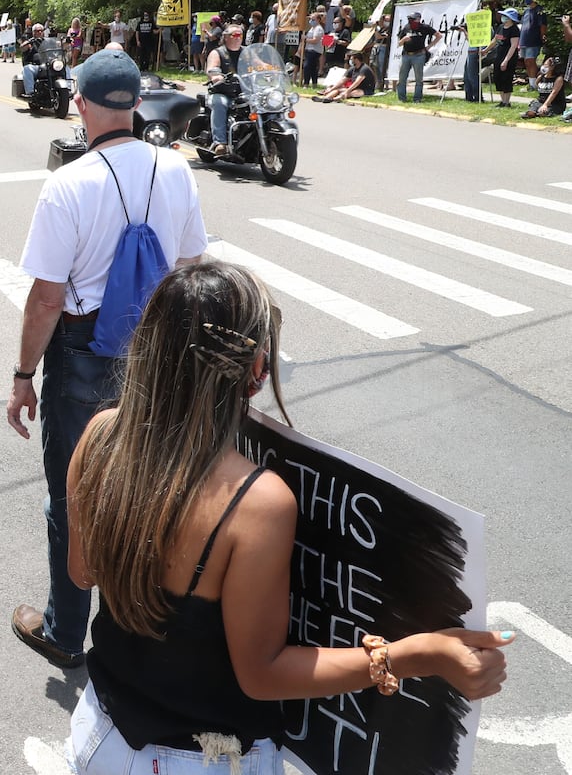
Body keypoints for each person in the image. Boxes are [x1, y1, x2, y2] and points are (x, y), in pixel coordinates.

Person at [65, 261, 512, 774]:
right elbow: (262, 674)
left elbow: (82, 572)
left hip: (100, 734)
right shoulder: (258, 502)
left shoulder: (100, 435)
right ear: (255, 372)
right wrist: (416, 654)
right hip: (201, 759)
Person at [6, 48, 208, 671]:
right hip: (156, 349)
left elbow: (45, 299)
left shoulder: (67, 183)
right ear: (137, 105)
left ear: (81, 105)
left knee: (74, 495)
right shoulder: (175, 170)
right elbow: (192, 268)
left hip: (81, 351)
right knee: (148, 486)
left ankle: (67, 633)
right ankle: (135, 628)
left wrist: (21, 377)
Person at [205, 24, 246, 156]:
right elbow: (212, 67)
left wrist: (269, 69)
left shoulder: (246, 53)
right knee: (220, 103)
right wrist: (216, 75)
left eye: (240, 35)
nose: (238, 38)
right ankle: (220, 143)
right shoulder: (218, 52)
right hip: (222, 92)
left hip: (243, 93)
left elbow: (259, 65)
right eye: (235, 35)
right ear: (226, 37)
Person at [396, 10, 442, 103]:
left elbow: (439, 35)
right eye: (409, 19)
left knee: (419, 79)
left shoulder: (424, 27)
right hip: (406, 55)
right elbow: (399, 44)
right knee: (402, 78)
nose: (411, 21)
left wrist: (428, 47)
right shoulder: (406, 27)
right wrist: (404, 40)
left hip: (419, 55)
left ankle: (417, 98)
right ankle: (401, 98)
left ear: (418, 19)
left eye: (412, 19)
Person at [520, 0, 546, 90]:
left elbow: (543, 26)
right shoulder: (526, 11)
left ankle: (535, 83)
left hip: (533, 40)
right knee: (526, 61)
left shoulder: (540, 11)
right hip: (524, 40)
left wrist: (543, 36)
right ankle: (531, 83)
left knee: (531, 60)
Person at [21, 23, 49, 96]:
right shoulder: (31, 42)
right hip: (36, 67)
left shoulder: (48, 41)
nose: (40, 32)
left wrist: (66, 43)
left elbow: (58, 46)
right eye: (37, 31)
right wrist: (27, 43)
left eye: (41, 30)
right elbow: (23, 48)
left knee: (64, 67)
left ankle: (67, 89)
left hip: (48, 66)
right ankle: (30, 92)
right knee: (27, 68)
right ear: (33, 32)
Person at [300, 12, 325, 87]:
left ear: (318, 20)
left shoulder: (318, 29)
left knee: (307, 66)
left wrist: (305, 39)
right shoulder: (312, 28)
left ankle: (306, 84)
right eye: (310, 19)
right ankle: (314, 83)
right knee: (313, 67)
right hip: (309, 49)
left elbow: (315, 40)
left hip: (314, 50)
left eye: (313, 19)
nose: (311, 21)